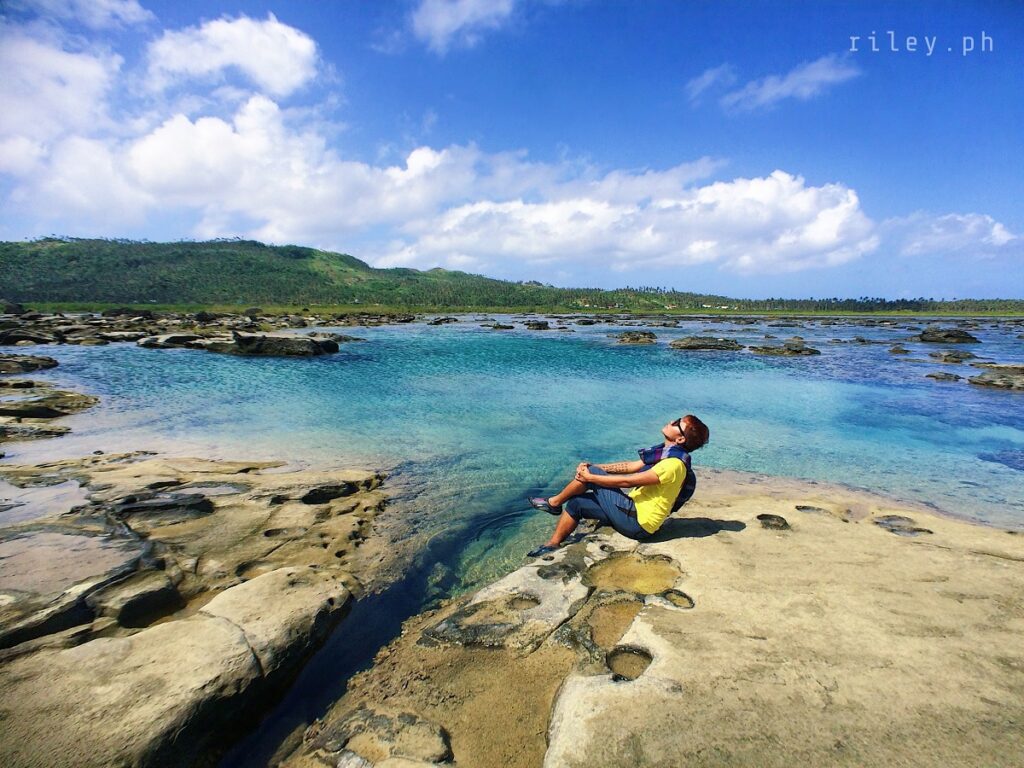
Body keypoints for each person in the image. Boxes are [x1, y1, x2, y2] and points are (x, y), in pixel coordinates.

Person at [526, 414, 710, 557]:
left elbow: (627, 481)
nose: (671, 421)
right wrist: (594, 467)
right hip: (631, 510)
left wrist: (591, 476)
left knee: (593, 476)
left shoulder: (673, 465)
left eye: (677, 423)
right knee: (577, 503)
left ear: (680, 439)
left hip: (638, 523)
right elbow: (631, 466)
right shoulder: (665, 452)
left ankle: (554, 504)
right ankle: (552, 544)